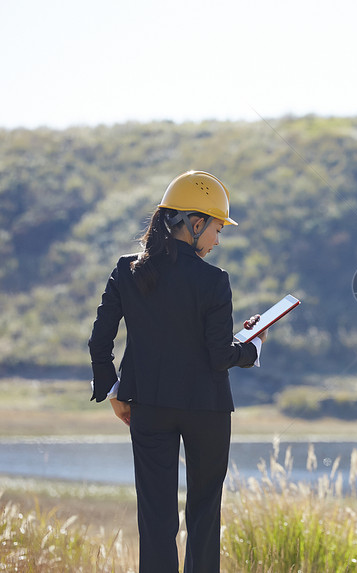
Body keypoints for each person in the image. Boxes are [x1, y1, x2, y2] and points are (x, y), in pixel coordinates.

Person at [88, 171, 265, 572]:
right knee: (203, 514)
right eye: (217, 228)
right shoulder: (214, 280)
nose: (218, 239)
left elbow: (99, 343)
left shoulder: (126, 270)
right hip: (207, 410)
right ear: (194, 222)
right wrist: (252, 348)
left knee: (155, 518)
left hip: (147, 407)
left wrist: (114, 391)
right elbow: (220, 355)